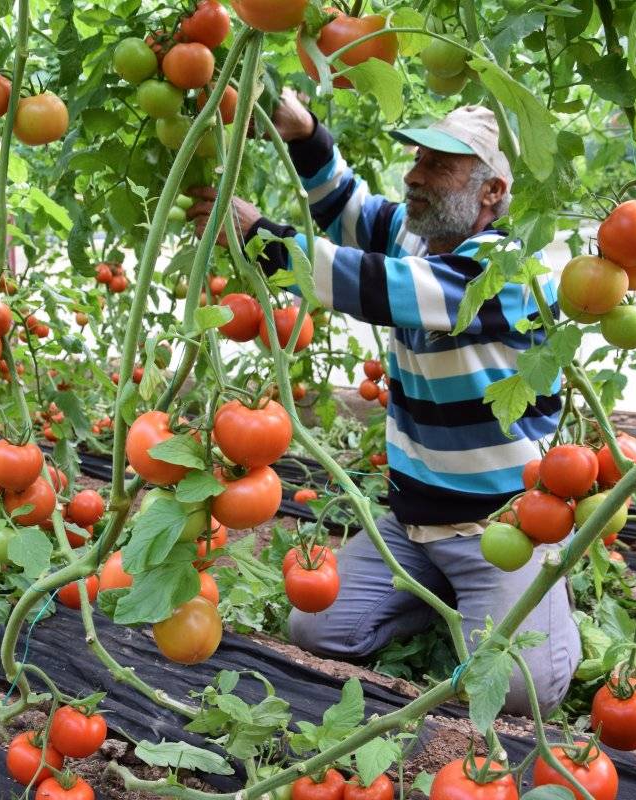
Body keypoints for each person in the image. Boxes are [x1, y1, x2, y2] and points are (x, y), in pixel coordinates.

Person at [188, 91, 580, 715]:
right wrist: (305, 133)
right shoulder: (419, 238)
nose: (415, 176)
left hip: (506, 526)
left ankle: (517, 593)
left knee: (520, 688)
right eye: (418, 159)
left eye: (438, 165)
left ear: (491, 192)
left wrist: (263, 238)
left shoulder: (510, 274)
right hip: (412, 523)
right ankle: (447, 595)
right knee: (317, 629)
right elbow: (347, 208)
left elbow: (380, 286)